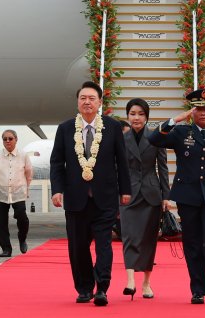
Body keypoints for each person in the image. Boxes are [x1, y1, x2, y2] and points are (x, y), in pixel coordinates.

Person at [149, 88, 205, 305]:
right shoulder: (181, 133)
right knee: (192, 243)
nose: (203, 113)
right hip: (188, 196)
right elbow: (154, 139)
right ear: (193, 111)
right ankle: (198, 288)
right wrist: (176, 119)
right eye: (199, 109)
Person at [50, 81, 131, 306]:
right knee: (78, 247)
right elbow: (57, 163)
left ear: (99, 102)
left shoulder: (113, 127)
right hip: (75, 199)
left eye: (91, 98)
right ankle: (84, 287)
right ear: (78, 102)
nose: (87, 102)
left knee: (104, 244)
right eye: (83, 98)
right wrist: (57, 190)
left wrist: (125, 190)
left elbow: (121, 162)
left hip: (105, 198)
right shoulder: (65, 128)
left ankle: (102, 287)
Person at [119, 98, 169, 300]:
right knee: (129, 236)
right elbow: (117, 170)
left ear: (147, 117)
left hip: (151, 193)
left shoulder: (157, 137)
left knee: (149, 240)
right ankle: (130, 280)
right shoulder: (121, 138)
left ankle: (146, 284)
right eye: (132, 114)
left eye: (140, 114)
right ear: (128, 116)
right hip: (128, 193)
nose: (136, 117)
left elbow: (163, 168)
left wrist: (166, 196)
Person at [0, 128, 33, 257]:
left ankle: (22, 238)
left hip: (18, 193)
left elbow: (28, 173)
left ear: (16, 140)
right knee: (2, 222)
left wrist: (26, 189)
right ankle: (6, 249)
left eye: (10, 138)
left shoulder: (23, 155)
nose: (8, 141)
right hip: (1, 193)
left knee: (22, 217)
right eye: (5, 139)